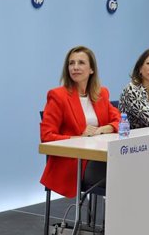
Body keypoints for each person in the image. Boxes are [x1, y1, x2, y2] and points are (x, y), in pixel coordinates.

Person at [39, 46, 120, 198]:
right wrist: (79, 138)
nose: (75, 67)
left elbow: (119, 120)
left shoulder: (101, 93)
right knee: (120, 174)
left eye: (81, 63)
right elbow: (47, 136)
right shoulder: (58, 96)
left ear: (91, 69)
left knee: (127, 166)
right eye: (71, 63)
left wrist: (103, 129)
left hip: (99, 156)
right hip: (73, 162)